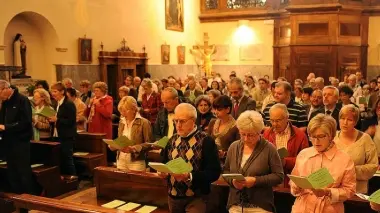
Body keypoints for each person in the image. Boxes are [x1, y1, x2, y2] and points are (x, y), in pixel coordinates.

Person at [161, 103, 221, 213]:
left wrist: (190, 176)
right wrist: (163, 172)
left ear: (193, 121)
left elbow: (214, 172)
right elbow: (165, 162)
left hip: (196, 198)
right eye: (176, 121)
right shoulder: (172, 140)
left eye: (182, 121)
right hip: (173, 196)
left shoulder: (206, 140)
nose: (178, 125)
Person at [290, 114, 356, 213]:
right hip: (302, 208)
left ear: (331, 136)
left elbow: (350, 190)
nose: (316, 141)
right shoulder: (304, 154)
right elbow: (293, 180)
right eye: (312, 136)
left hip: (329, 209)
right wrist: (295, 187)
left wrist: (328, 192)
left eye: (321, 136)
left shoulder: (344, 159)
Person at [224, 110, 284, 213]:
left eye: (251, 135)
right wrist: (233, 181)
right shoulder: (234, 147)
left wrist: (255, 181)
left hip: (260, 206)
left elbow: (279, 176)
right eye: (243, 134)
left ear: (259, 132)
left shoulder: (269, 148)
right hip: (236, 204)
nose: (246, 139)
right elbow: (226, 171)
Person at [0, 80, 37, 198]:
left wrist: (6, 127)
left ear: (5, 89)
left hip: (21, 142)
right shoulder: (5, 102)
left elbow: (26, 123)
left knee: (23, 172)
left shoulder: (22, 100)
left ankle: (28, 199)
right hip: (8, 141)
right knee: (12, 172)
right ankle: (17, 199)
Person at [334, 105, 378, 194]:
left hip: (357, 192)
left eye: (349, 120)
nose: (345, 122)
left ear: (355, 122)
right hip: (334, 190)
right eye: (342, 118)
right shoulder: (332, 137)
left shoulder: (365, 139)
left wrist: (351, 171)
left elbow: (373, 166)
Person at [263, 103, 308, 187]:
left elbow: (305, 161)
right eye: (272, 120)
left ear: (287, 118)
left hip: (291, 182)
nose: (274, 124)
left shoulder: (300, 135)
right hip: (271, 182)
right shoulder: (267, 134)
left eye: (278, 120)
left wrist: (285, 162)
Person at [110, 96, 152, 171]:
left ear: (133, 109)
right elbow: (121, 139)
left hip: (136, 161)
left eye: (125, 111)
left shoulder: (144, 122)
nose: (122, 114)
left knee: (135, 182)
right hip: (121, 159)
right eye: (121, 111)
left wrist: (134, 149)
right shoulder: (121, 122)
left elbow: (149, 144)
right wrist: (114, 145)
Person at [49, 82, 77, 177]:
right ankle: (63, 179)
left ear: (62, 92)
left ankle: (73, 180)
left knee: (67, 159)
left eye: (55, 91)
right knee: (59, 159)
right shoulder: (56, 103)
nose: (53, 93)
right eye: (52, 91)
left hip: (66, 136)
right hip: (57, 135)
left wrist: (58, 119)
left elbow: (71, 121)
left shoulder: (68, 104)